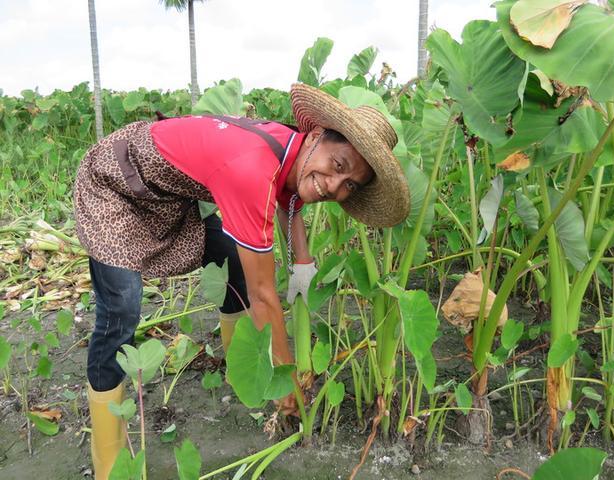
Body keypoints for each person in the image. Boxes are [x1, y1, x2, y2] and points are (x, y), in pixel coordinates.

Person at [73, 83, 410, 479]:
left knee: (230, 254)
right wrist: (285, 379)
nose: (334, 187)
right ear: (317, 136)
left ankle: (238, 375)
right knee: (121, 309)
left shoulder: (292, 147)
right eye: (338, 166)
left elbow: (292, 193)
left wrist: (302, 261)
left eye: (348, 184)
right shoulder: (252, 169)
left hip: (165, 193)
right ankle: (109, 461)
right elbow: (263, 295)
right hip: (114, 183)